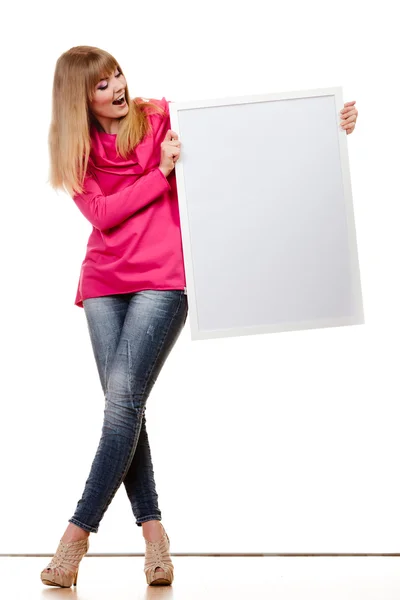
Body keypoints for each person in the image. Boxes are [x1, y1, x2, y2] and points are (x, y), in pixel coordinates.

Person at [41, 45, 187, 588]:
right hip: (104, 282)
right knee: (125, 408)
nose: (117, 87)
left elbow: (236, 133)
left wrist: (328, 124)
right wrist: (160, 175)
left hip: (162, 276)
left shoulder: (158, 116)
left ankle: (75, 536)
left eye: (116, 75)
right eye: (102, 85)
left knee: (122, 401)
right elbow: (102, 214)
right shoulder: (74, 150)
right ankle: (154, 536)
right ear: (81, 99)